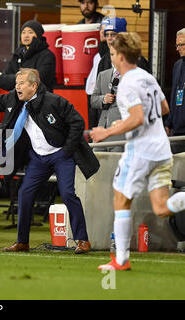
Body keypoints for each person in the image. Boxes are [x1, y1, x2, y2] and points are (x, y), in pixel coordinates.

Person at [0, 68, 100, 254]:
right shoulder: (13, 100)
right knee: (25, 194)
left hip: (60, 155)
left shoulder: (53, 101)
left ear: (34, 86)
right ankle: (22, 242)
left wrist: (67, 150)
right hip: (38, 158)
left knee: (67, 194)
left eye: (21, 84)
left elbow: (77, 122)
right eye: (16, 84)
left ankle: (82, 240)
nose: (17, 87)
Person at [90, 32, 185, 270]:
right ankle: (121, 259)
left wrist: (107, 132)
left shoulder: (128, 83)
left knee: (121, 200)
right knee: (162, 207)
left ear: (120, 56)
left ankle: (121, 260)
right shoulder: (147, 77)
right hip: (161, 149)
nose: (111, 58)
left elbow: (137, 118)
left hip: (141, 151)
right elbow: (163, 108)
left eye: (112, 54)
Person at [0, 20, 56, 92]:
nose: (26, 35)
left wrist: (16, 79)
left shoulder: (47, 55)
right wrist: (25, 78)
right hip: (18, 100)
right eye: (23, 32)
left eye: (30, 32)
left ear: (38, 35)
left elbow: (39, 80)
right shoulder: (18, 54)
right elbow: (3, 80)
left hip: (40, 100)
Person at [90, 66, 124, 151]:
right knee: (97, 161)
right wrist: (103, 99)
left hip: (120, 133)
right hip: (102, 130)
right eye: (112, 54)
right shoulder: (103, 74)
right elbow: (93, 100)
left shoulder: (132, 76)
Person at [85, 17, 111, 128]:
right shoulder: (98, 55)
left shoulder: (108, 55)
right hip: (94, 98)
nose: (102, 32)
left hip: (106, 101)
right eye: (101, 29)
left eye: (106, 30)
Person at [164, 28, 185, 154]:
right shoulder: (177, 66)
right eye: (177, 45)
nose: (178, 49)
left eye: (182, 45)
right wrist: (168, 123)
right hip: (177, 131)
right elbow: (174, 96)